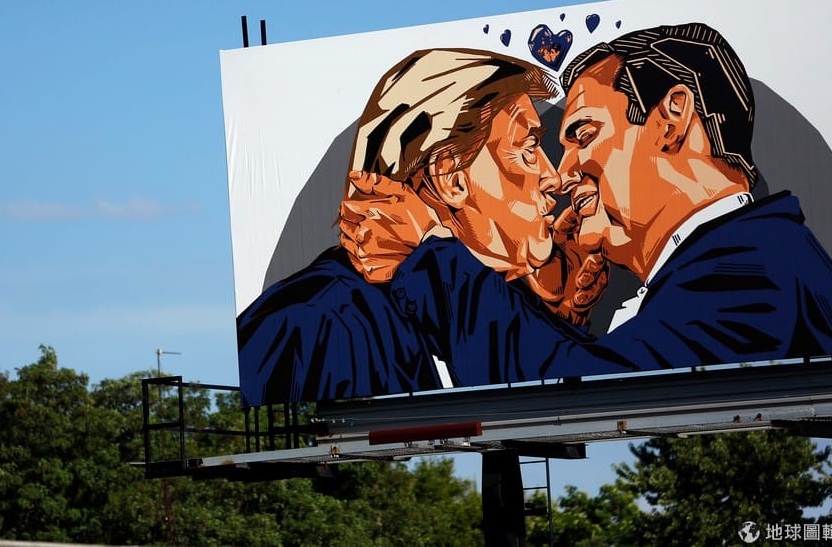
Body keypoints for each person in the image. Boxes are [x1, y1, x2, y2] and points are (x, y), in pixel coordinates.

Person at [343, 23, 832, 378]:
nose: (564, 171)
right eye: (537, 147)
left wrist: (432, 255)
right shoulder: (743, 257)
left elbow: (583, 395)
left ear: (672, 118)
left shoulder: (755, 270)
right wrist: (561, 315)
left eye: (584, 135)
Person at [237, 48, 604, 407]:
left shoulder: (501, 303)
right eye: (529, 148)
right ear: (451, 178)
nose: (554, 178)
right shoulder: (318, 323)